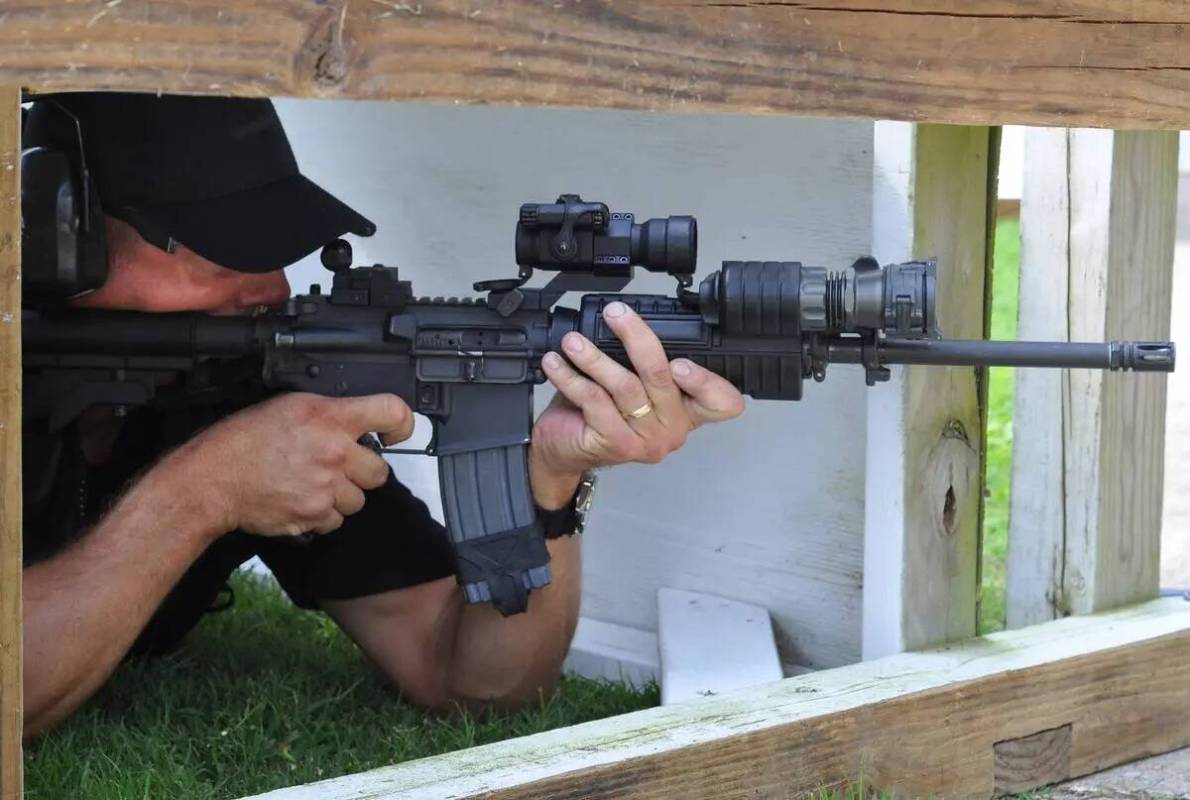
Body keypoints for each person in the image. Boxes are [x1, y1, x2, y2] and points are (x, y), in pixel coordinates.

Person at [20, 93, 746, 736]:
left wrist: (549, 481)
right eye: (221, 251)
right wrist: (200, 492)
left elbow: (479, 687)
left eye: (275, 248)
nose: (269, 289)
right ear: (63, 239)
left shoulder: (242, 385)